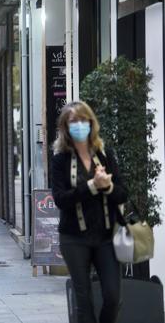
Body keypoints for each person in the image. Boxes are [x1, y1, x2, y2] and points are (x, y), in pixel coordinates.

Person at [51, 101, 127, 323]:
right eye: (74, 121)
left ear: (91, 123)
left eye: (84, 120)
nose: (79, 125)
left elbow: (123, 194)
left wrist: (108, 186)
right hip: (74, 238)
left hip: (105, 237)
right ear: (65, 126)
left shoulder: (105, 154)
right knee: (83, 303)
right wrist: (92, 185)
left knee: (113, 297)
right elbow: (60, 199)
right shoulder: (60, 160)